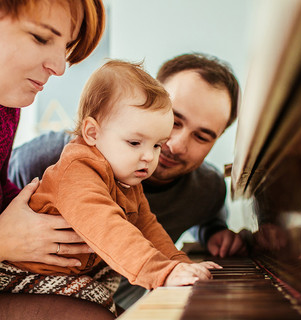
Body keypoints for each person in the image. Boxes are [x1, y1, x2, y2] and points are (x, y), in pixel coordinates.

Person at [9, 53, 246, 308]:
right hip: (24, 274)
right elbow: (107, 225)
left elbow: (148, 225)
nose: (173, 147)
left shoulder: (139, 178)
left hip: (87, 281)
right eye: (175, 122)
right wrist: (161, 272)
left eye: (202, 136)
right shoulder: (67, 163)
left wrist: (179, 263)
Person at [0, 0, 109, 318]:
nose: (61, 67)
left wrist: (49, 219)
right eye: (41, 37)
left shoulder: (7, 106)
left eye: (67, 46)